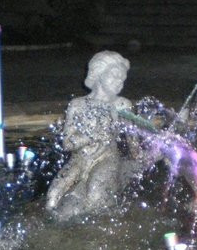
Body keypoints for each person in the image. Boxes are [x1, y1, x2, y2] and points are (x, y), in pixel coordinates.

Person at [46, 51, 133, 219]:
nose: (119, 82)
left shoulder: (122, 105)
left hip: (107, 158)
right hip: (79, 160)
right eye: (114, 75)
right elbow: (67, 144)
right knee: (52, 199)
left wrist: (153, 150)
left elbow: (133, 142)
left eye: (122, 79)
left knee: (95, 195)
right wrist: (92, 135)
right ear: (99, 73)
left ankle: (102, 220)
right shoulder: (77, 105)